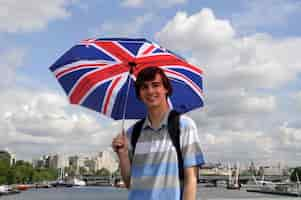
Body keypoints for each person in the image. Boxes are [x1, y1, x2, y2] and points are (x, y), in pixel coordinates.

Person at [112, 67, 205, 200]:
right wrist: (123, 155)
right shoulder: (133, 132)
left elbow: (191, 179)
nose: (150, 91)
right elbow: (130, 183)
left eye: (155, 85)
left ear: (166, 88)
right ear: (139, 93)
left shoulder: (184, 126)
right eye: (144, 87)